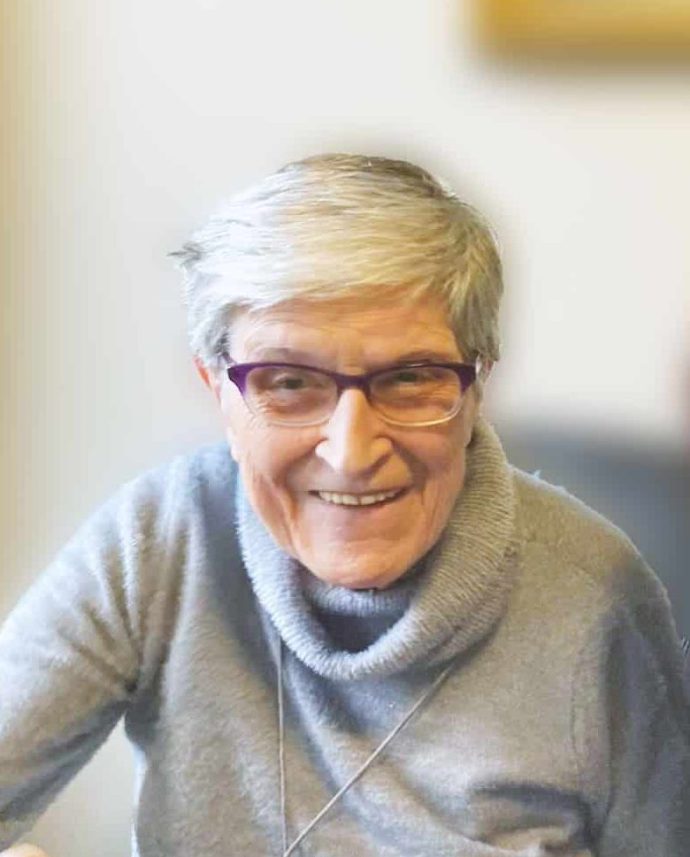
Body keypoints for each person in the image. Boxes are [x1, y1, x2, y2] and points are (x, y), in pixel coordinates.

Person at [0, 154, 688, 857]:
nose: (352, 452)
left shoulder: (597, 599)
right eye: (289, 382)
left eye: (410, 378)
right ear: (218, 392)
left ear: (477, 385)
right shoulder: (161, 540)